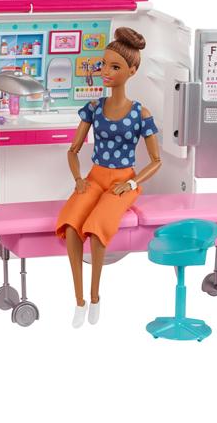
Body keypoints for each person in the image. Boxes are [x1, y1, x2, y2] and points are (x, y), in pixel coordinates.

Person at [55, 27, 162, 328]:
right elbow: (73, 150)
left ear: (132, 71)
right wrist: (78, 178)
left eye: (115, 67)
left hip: (123, 181)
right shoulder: (94, 108)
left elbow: (156, 160)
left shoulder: (140, 114)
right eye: (104, 64)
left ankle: (95, 295)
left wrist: (132, 183)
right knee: (72, 224)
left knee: (97, 226)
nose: (106, 71)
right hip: (94, 176)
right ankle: (78, 299)